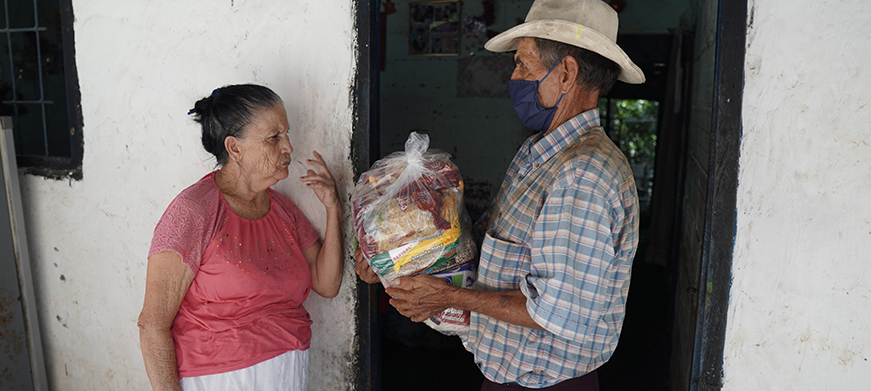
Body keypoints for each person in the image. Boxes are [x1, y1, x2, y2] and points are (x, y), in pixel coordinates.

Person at [356, 0, 644, 389]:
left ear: (566, 73)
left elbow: (556, 308)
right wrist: (396, 257)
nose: (515, 75)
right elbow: (482, 246)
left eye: (524, 64)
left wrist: (447, 296)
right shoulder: (540, 153)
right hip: (508, 375)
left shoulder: (582, 174)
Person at [138, 84, 343, 391]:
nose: (288, 146)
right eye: (274, 137)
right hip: (219, 378)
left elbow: (327, 284)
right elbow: (152, 325)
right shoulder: (193, 213)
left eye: (286, 134)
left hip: (289, 373)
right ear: (234, 148)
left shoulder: (283, 210)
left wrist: (333, 208)